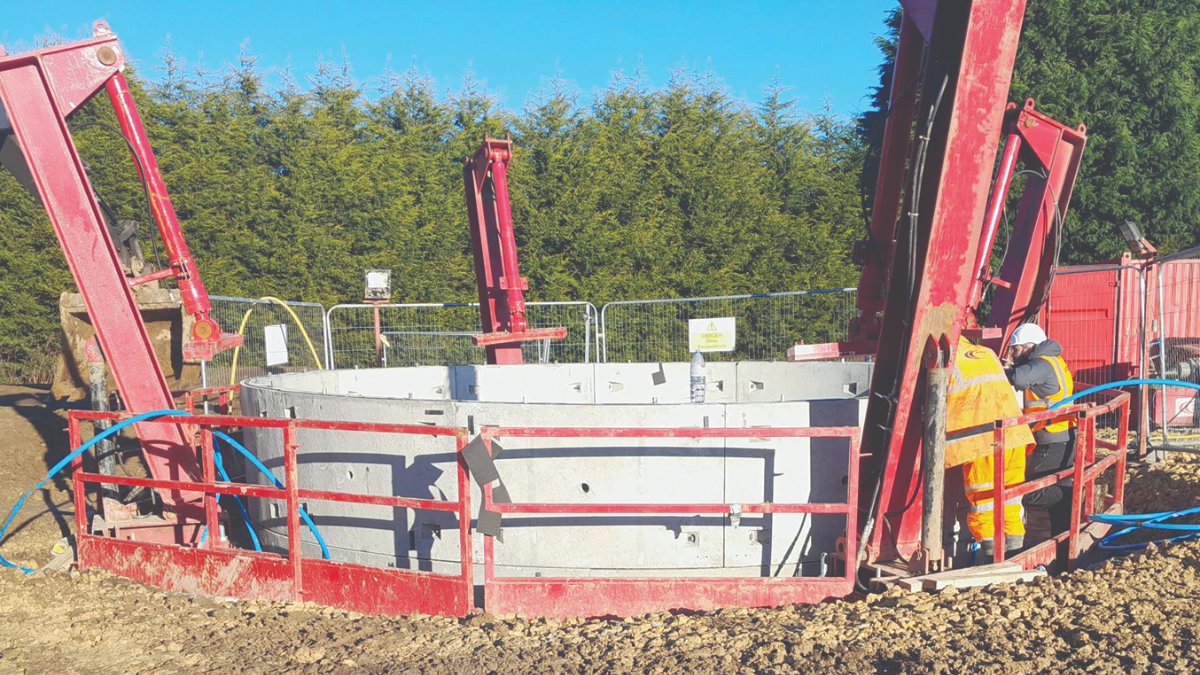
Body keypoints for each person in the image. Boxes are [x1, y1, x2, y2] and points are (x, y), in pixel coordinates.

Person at [945, 336, 1035, 560]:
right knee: (1011, 501)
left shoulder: (948, 358)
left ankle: (990, 561)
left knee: (983, 503)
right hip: (1014, 433)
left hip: (981, 439)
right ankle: (1015, 557)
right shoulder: (986, 353)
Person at [1006, 323, 1075, 535]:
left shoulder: (1043, 364)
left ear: (1029, 347)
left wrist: (1001, 372)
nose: (1013, 356)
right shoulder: (1052, 361)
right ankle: (1062, 550)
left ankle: (1068, 492)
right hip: (1061, 438)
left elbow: (1018, 378)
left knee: (1019, 489)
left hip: (1052, 440)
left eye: (1016, 350)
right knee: (1059, 510)